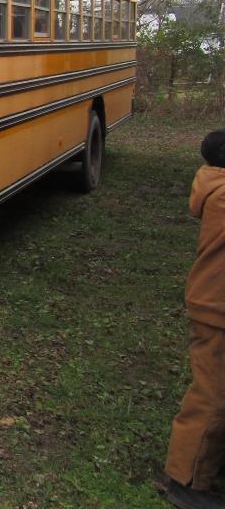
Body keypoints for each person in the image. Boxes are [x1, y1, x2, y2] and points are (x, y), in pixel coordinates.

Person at [166, 129, 225, 509]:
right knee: (213, 396)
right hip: (217, 308)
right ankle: (186, 479)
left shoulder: (214, 186)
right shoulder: (222, 196)